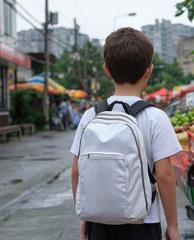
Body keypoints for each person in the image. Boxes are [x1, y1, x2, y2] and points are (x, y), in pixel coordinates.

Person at [70, 27, 182, 240]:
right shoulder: (155, 117)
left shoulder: (89, 116)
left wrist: (83, 215)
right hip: (143, 220)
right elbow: (165, 175)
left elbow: (76, 172)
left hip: (99, 221)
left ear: (107, 70)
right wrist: (173, 226)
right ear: (148, 71)